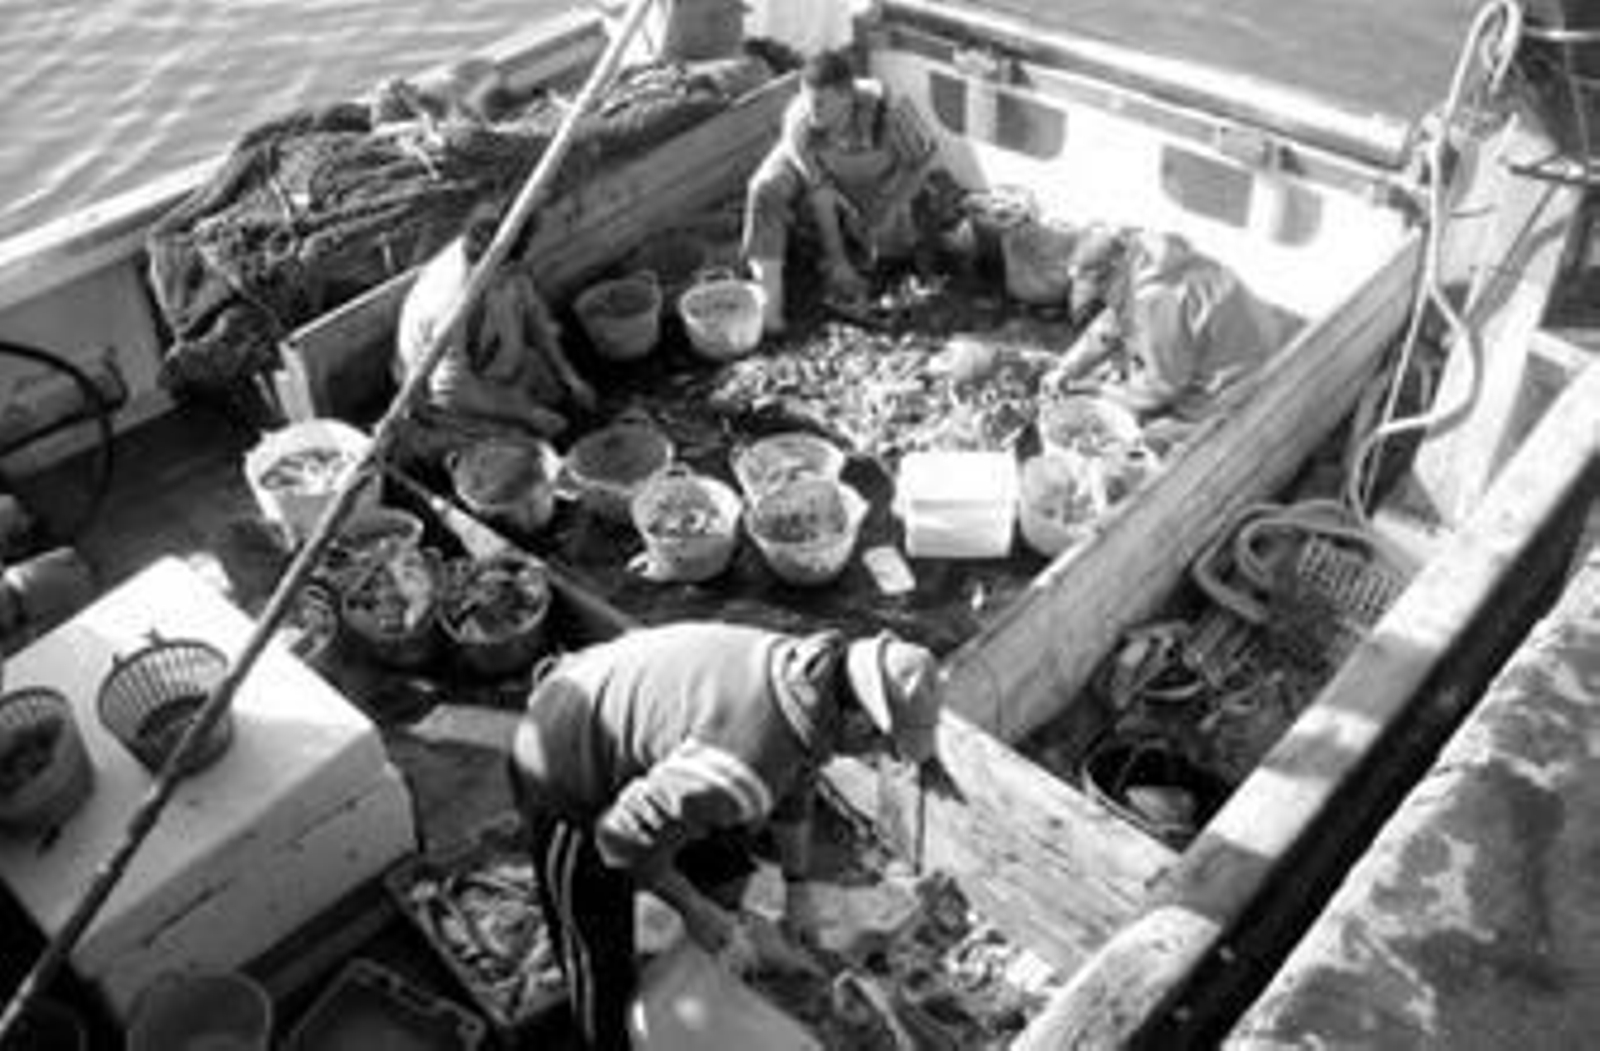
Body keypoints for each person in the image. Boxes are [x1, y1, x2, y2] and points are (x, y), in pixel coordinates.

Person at [508, 621, 943, 1050]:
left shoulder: (809, 679)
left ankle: (712, 970)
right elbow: (620, 839)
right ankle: (607, 1038)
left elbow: (798, 778)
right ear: (862, 721)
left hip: (662, 736)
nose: (880, 756)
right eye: (885, 746)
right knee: (597, 950)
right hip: (564, 758)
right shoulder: (745, 762)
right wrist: (693, 907)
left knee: (725, 855)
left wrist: (798, 888)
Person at [742, 47, 937, 334]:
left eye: (820, 103)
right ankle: (771, 307)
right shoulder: (800, 121)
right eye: (807, 100)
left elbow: (923, 160)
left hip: (879, 172)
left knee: (893, 245)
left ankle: (866, 246)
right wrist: (838, 261)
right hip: (823, 168)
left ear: (847, 97)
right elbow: (820, 194)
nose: (811, 111)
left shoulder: (892, 111)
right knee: (764, 188)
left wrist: (892, 204)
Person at [1045, 226, 1297, 421]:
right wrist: (1068, 366)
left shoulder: (1156, 302)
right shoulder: (1144, 255)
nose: (1095, 297)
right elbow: (1113, 321)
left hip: (1243, 385)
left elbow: (1158, 391)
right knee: (1124, 370)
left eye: (1095, 289)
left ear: (1108, 274)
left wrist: (1094, 389)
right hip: (1260, 341)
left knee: (1146, 432)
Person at [395, 199, 596, 440]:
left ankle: (522, 397)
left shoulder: (500, 256)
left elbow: (532, 312)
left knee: (554, 391)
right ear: (492, 265)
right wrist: (527, 413)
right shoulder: (450, 301)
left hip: (494, 362)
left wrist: (568, 376)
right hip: (446, 398)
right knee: (523, 444)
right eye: (509, 270)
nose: (516, 272)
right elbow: (451, 388)